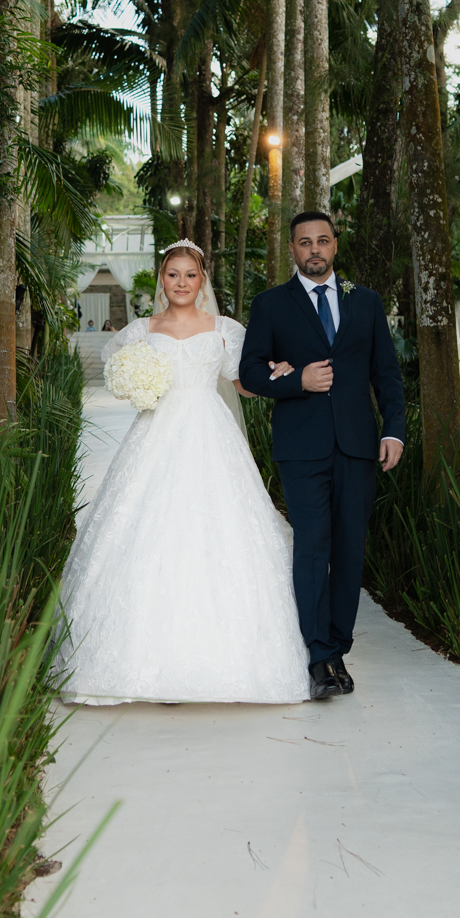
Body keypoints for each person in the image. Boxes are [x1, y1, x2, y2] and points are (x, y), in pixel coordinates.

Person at [56, 240, 309, 705]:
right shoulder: (142, 330)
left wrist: (279, 373)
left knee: (217, 529)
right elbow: (119, 371)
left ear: (202, 280)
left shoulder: (224, 329)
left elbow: (243, 383)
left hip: (211, 432)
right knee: (149, 528)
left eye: (190, 275)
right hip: (155, 432)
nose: (181, 283)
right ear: (162, 279)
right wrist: (137, 385)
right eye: (173, 274)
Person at [239, 211, 405, 702]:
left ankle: (337, 648)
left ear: (335, 245)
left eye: (323, 240)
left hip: (358, 445)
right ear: (292, 248)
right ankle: (318, 658)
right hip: (301, 447)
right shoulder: (271, 304)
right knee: (312, 546)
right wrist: (298, 380)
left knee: (349, 549)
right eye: (305, 242)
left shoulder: (365, 301)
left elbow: (386, 373)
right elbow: (250, 372)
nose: (315, 249)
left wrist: (394, 432)